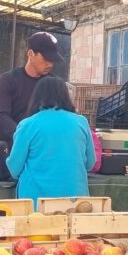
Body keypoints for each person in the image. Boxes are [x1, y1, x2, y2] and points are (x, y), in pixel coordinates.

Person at [6, 76, 96, 206]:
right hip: (76, 203)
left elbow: (14, 169)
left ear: (37, 97)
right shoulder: (81, 122)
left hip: (35, 204)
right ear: (65, 96)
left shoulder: (27, 125)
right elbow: (90, 163)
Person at [0, 31, 63, 144]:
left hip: (44, 147)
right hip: (13, 145)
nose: (50, 64)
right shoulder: (8, 80)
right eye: (46, 59)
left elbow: (60, 116)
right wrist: (24, 137)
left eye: (52, 60)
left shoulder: (54, 84)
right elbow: (2, 116)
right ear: (30, 54)